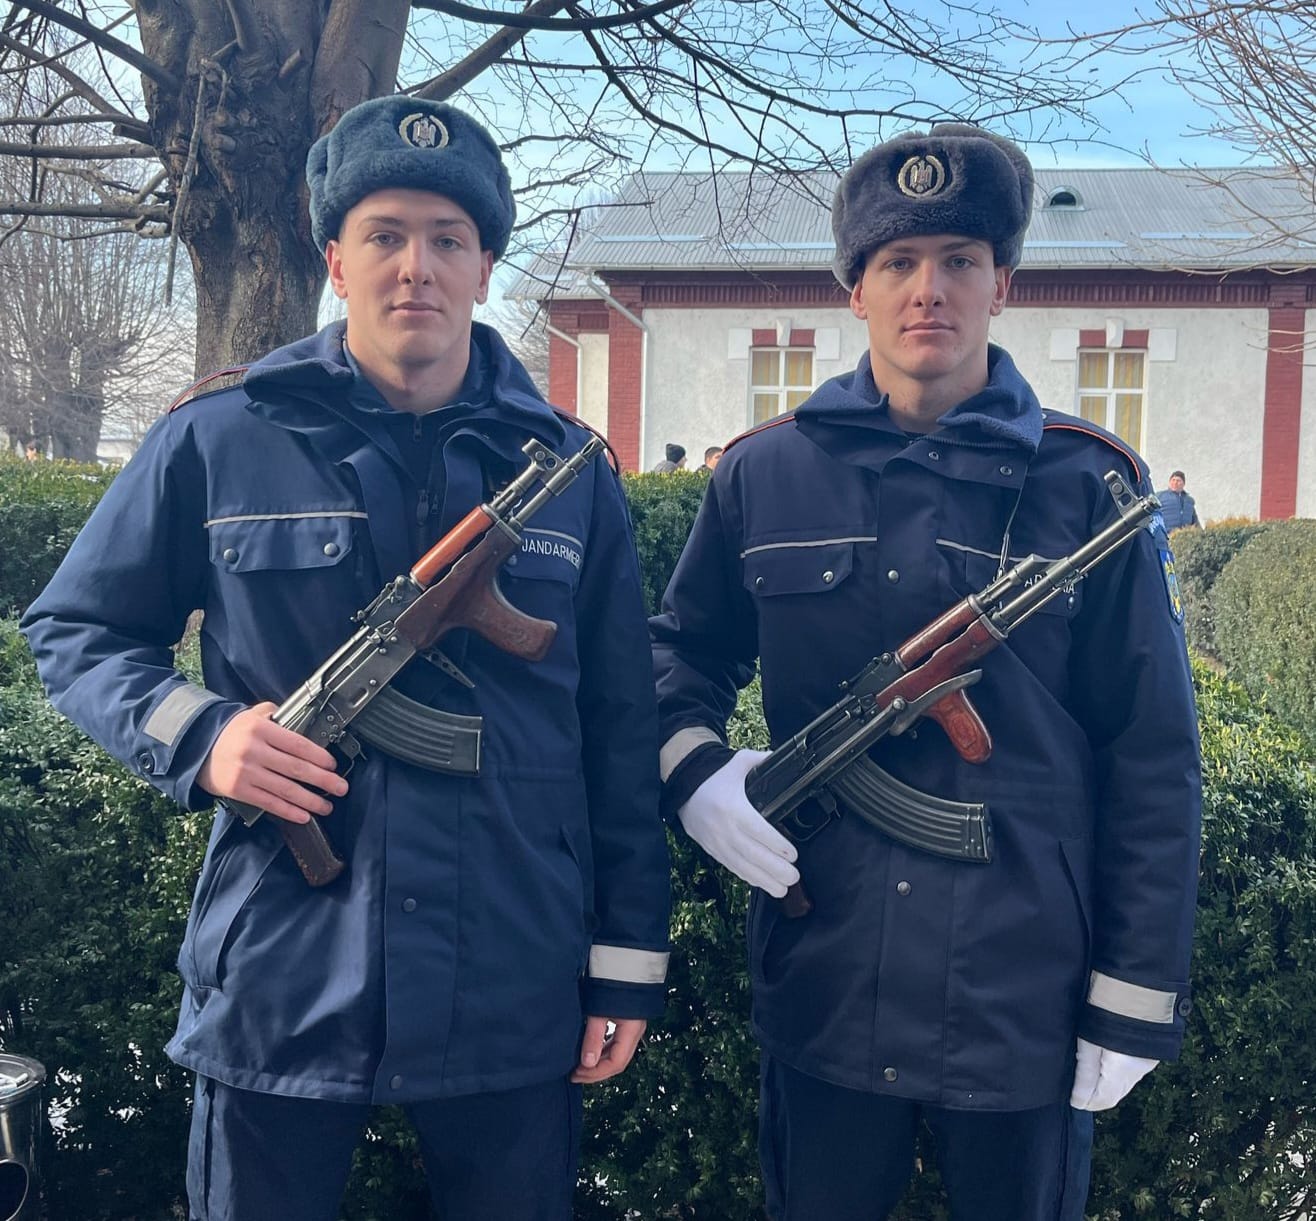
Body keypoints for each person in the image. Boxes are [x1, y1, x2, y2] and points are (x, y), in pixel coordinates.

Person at [22, 95, 670, 1221]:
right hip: (280, 953)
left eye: (447, 239)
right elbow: (76, 630)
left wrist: (625, 953)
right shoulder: (218, 435)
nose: (416, 266)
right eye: (384, 235)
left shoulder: (567, 470)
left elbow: (618, 726)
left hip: (512, 958)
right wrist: (203, 736)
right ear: (335, 259)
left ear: (483, 268)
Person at [651, 124, 1201, 1221]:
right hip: (825, 969)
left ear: (1003, 283)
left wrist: (1135, 992)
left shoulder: (1084, 486)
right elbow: (678, 652)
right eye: (897, 261)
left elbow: (1150, 751)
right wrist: (694, 770)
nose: (928, 289)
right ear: (854, 289)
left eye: (959, 259)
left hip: (1021, 991)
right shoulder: (765, 473)